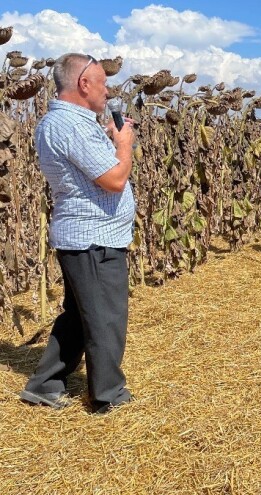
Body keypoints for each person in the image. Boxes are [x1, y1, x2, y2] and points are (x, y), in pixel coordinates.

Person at [20, 53, 135, 414]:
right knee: (105, 318)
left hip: (90, 236)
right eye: (102, 83)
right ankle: (107, 395)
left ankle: (45, 384)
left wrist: (110, 141)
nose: (108, 91)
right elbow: (115, 180)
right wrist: (124, 144)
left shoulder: (73, 123)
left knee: (79, 314)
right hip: (93, 238)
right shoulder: (70, 125)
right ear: (84, 84)